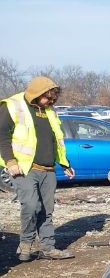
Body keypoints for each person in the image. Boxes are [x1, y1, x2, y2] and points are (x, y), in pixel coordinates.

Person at [0, 76, 75, 261]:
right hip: (24, 168)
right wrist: (10, 162)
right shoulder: (12, 105)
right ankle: (25, 244)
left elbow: (55, 140)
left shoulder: (49, 111)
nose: (51, 102)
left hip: (48, 169)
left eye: (53, 100)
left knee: (47, 210)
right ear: (37, 93)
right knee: (31, 205)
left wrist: (65, 163)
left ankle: (48, 248)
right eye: (48, 98)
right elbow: (2, 135)